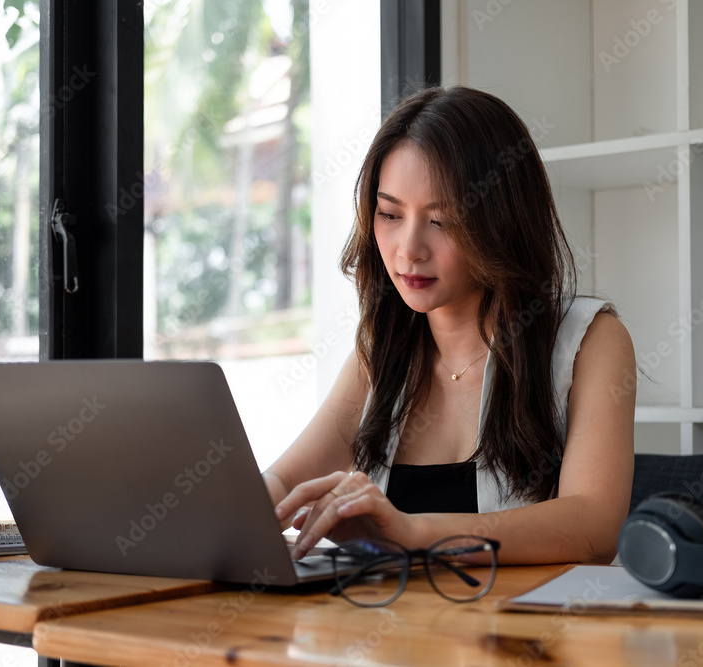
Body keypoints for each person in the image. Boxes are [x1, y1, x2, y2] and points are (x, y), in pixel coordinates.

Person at [263, 85, 635, 565]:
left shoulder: (590, 341)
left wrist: (411, 533)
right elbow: (283, 483)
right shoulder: (382, 348)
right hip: (392, 634)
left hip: (529, 636)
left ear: (501, 221)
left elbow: (594, 526)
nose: (408, 249)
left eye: (441, 221)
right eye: (390, 214)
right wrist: (244, 502)